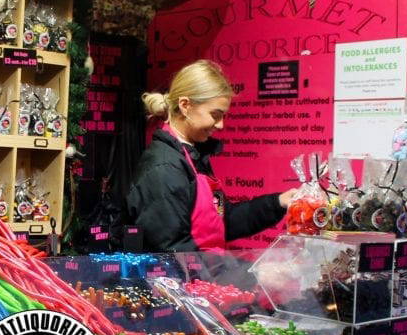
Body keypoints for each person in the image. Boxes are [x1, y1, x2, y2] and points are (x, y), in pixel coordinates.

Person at [126, 59, 295, 252]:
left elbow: (224, 220)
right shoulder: (163, 169)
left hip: (205, 274)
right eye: (215, 114)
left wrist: (279, 202)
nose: (221, 124)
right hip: (184, 279)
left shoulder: (193, 156)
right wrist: (243, 274)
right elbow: (174, 252)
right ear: (185, 105)